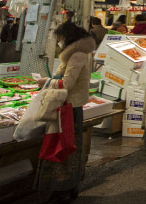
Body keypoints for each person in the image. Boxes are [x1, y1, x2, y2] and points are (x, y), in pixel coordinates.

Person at [35, 21, 96, 202]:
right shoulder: (77, 54)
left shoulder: (77, 55)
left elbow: (68, 83)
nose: (59, 42)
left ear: (68, 38)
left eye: (60, 38)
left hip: (69, 108)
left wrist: (46, 82)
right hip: (68, 105)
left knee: (65, 148)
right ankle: (64, 188)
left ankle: (64, 189)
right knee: (67, 147)